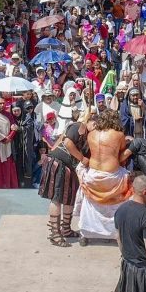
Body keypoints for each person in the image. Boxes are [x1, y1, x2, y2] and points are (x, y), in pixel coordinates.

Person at [76, 109, 132, 245]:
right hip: (112, 176)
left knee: (90, 203)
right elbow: (121, 154)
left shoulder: (91, 134)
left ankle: (85, 233)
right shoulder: (119, 134)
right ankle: (117, 231)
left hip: (93, 174)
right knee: (128, 187)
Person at [37, 106, 87, 247]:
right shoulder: (77, 126)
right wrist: (82, 158)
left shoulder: (89, 132)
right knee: (57, 198)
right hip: (58, 163)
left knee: (69, 197)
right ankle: (55, 233)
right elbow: (67, 142)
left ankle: (65, 229)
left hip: (70, 166)